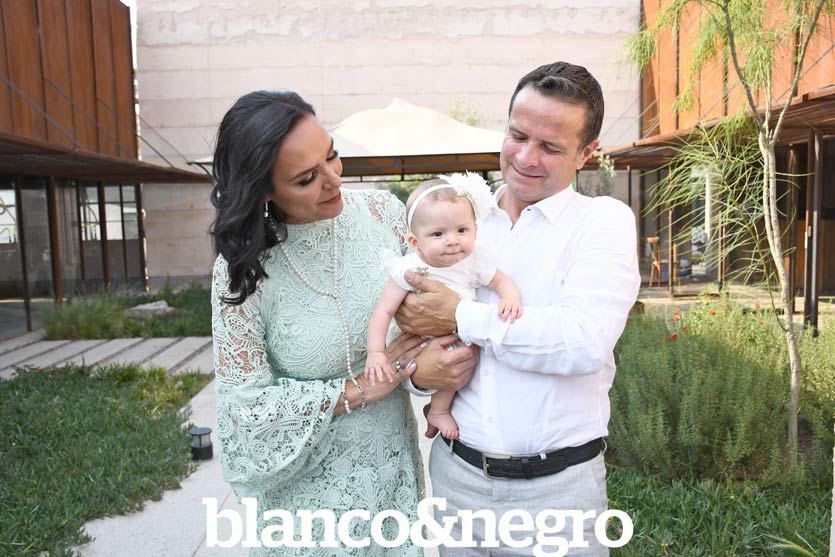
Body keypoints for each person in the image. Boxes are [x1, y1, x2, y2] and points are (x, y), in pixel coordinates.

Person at [209, 90, 477, 556]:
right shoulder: (240, 272)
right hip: (304, 506)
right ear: (264, 190)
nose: (334, 179)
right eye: (307, 178)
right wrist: (359, 390)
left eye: (331, 156)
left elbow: (436, 316)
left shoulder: (384, 215)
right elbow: (243, 413)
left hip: (391, 485)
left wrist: (421, 374)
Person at [395, 62, 641, 556]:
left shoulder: (601, 222)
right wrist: (420, 373)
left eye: (550, 147)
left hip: (557, 495)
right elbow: (411, 327)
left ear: (587, 152)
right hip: (455, 479)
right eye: (518, 135)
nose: (526, 157)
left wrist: (461, 316)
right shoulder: (459, 219)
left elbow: (581, 342)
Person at [364, 173, 522, 441]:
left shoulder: (473, 261)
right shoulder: (409, 268)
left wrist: (510, 298)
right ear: (415, 242)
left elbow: (499, 280)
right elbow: (384, 311)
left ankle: (438, 409)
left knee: (461, 361)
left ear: (475, 230)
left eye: (462, 230)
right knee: (448, 362)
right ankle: (438, 409)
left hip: (458, 333)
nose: (452, 240)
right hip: (418, 341)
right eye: (438, 234)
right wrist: (376, 352)